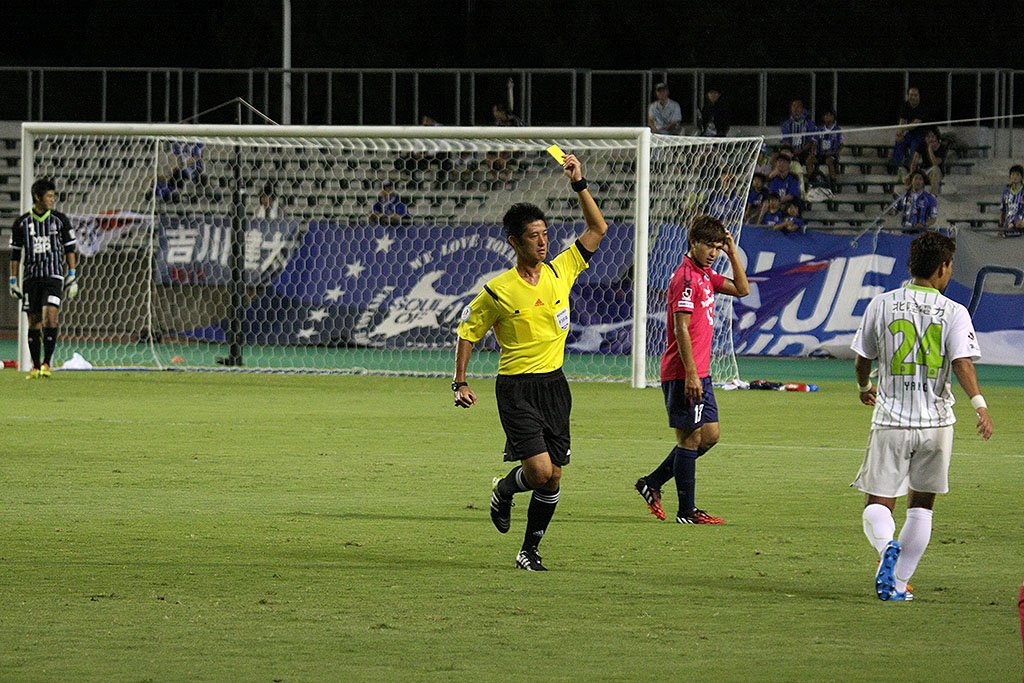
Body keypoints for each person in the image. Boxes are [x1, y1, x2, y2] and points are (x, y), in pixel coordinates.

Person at [453, 153, 608, 571]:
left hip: (555, 386)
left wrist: (579, 182)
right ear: (514, 242)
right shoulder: (498, 290)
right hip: (517, 389)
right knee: (540, 472)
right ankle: (506, 489)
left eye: (545, 234)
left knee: (554, 476)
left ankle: (529, 550)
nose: (542, 242)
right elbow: (468, 331)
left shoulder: (562, 270)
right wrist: (460, 382)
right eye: (533, 236)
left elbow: (597, 228)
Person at [850, 231, 993, 602]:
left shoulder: (882, 304)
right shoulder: (954, 311)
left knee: (878, 504)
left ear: (911, 264)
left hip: (891, 420)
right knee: (922, 509)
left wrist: (865, 386)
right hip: (937, 424)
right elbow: (962, 363)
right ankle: (898, 585)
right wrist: (979, 405)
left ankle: (886, 546)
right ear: (943, 267)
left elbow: (863, 358)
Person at [634, 215, 749, 525]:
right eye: (709, 246)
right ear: (693, 243)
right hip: (683, 372)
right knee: (690, 439)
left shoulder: (706, 275)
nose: (713, 252)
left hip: (701, 371)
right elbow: (680, 327)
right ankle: (687, 511)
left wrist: (732, 252)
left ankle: (652, 482)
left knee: (710, 436)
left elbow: (742, 289)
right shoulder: (685, 278)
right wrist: (691, 374)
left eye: (717, 247)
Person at [8, 178, 79, 379]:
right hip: (31, 278)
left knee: (51, 315)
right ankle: (35, 365)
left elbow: (70, 248)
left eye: (53, 196)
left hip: (53, 276)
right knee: (34, 321)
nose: (52, 199)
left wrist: (72, 275)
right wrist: (13, 280)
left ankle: (47, 363)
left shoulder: (60, 220)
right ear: (37, 197)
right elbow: (15, 254)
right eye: (49, 196)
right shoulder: (21, 223)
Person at [889, 87, 927, 172]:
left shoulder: (923, 107)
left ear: (919, 96)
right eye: (911, 95)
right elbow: (902, 120)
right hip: (911, 133)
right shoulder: (906, 105)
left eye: (915, 95)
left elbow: (915, 124)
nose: (913, 97)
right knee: (900, 141)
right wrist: (899, 132)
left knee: (914, 144)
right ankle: (895, 165)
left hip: (923, 134)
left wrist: (902, 128)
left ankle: (911, 168)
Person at [781, 99, 818, 171]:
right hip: (791, 151)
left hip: (806, 151)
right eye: (794, 106)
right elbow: (785, 140)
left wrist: (802, 150)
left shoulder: (809, 123)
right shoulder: (786, 124)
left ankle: (810, 177)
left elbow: (812, 140)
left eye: (798, 106)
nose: (796, 108)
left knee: (810, 160)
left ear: (802, 109)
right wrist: (793, 151)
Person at [908, 127, 947, 194]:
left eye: (932, 137)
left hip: (938, 172)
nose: (930, 139)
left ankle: (933, 195)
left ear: (936, 137)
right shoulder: (922, 145)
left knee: (935, 169)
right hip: (924, 170)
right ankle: (911, 194)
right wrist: (911, 174)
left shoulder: (942, 148)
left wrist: (930, 150)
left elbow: (935, 163)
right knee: (912, 176)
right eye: (928, 137)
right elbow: (914, 162)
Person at [814, 109, 844, 191]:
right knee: (809, 160)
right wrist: (814, 151)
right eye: (826, 115)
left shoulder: (837, 130)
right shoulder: (819, 129)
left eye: (830, 115)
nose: (828, 117)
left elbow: (841, 144)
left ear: (834, 117)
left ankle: (833, 184)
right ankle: (813, 181)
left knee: (829, 161)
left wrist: (835, 152)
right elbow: (815, 142)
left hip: (832, 154)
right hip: (820, 154)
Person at [998, 164, 1024, 238]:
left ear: (1022, 177)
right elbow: (1003, 211)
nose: (1015, 177)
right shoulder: (1006, 192)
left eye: (1017, 175)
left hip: (1020, 227)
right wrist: (1000, 227)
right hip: (1008, 227)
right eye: (1012, 174)